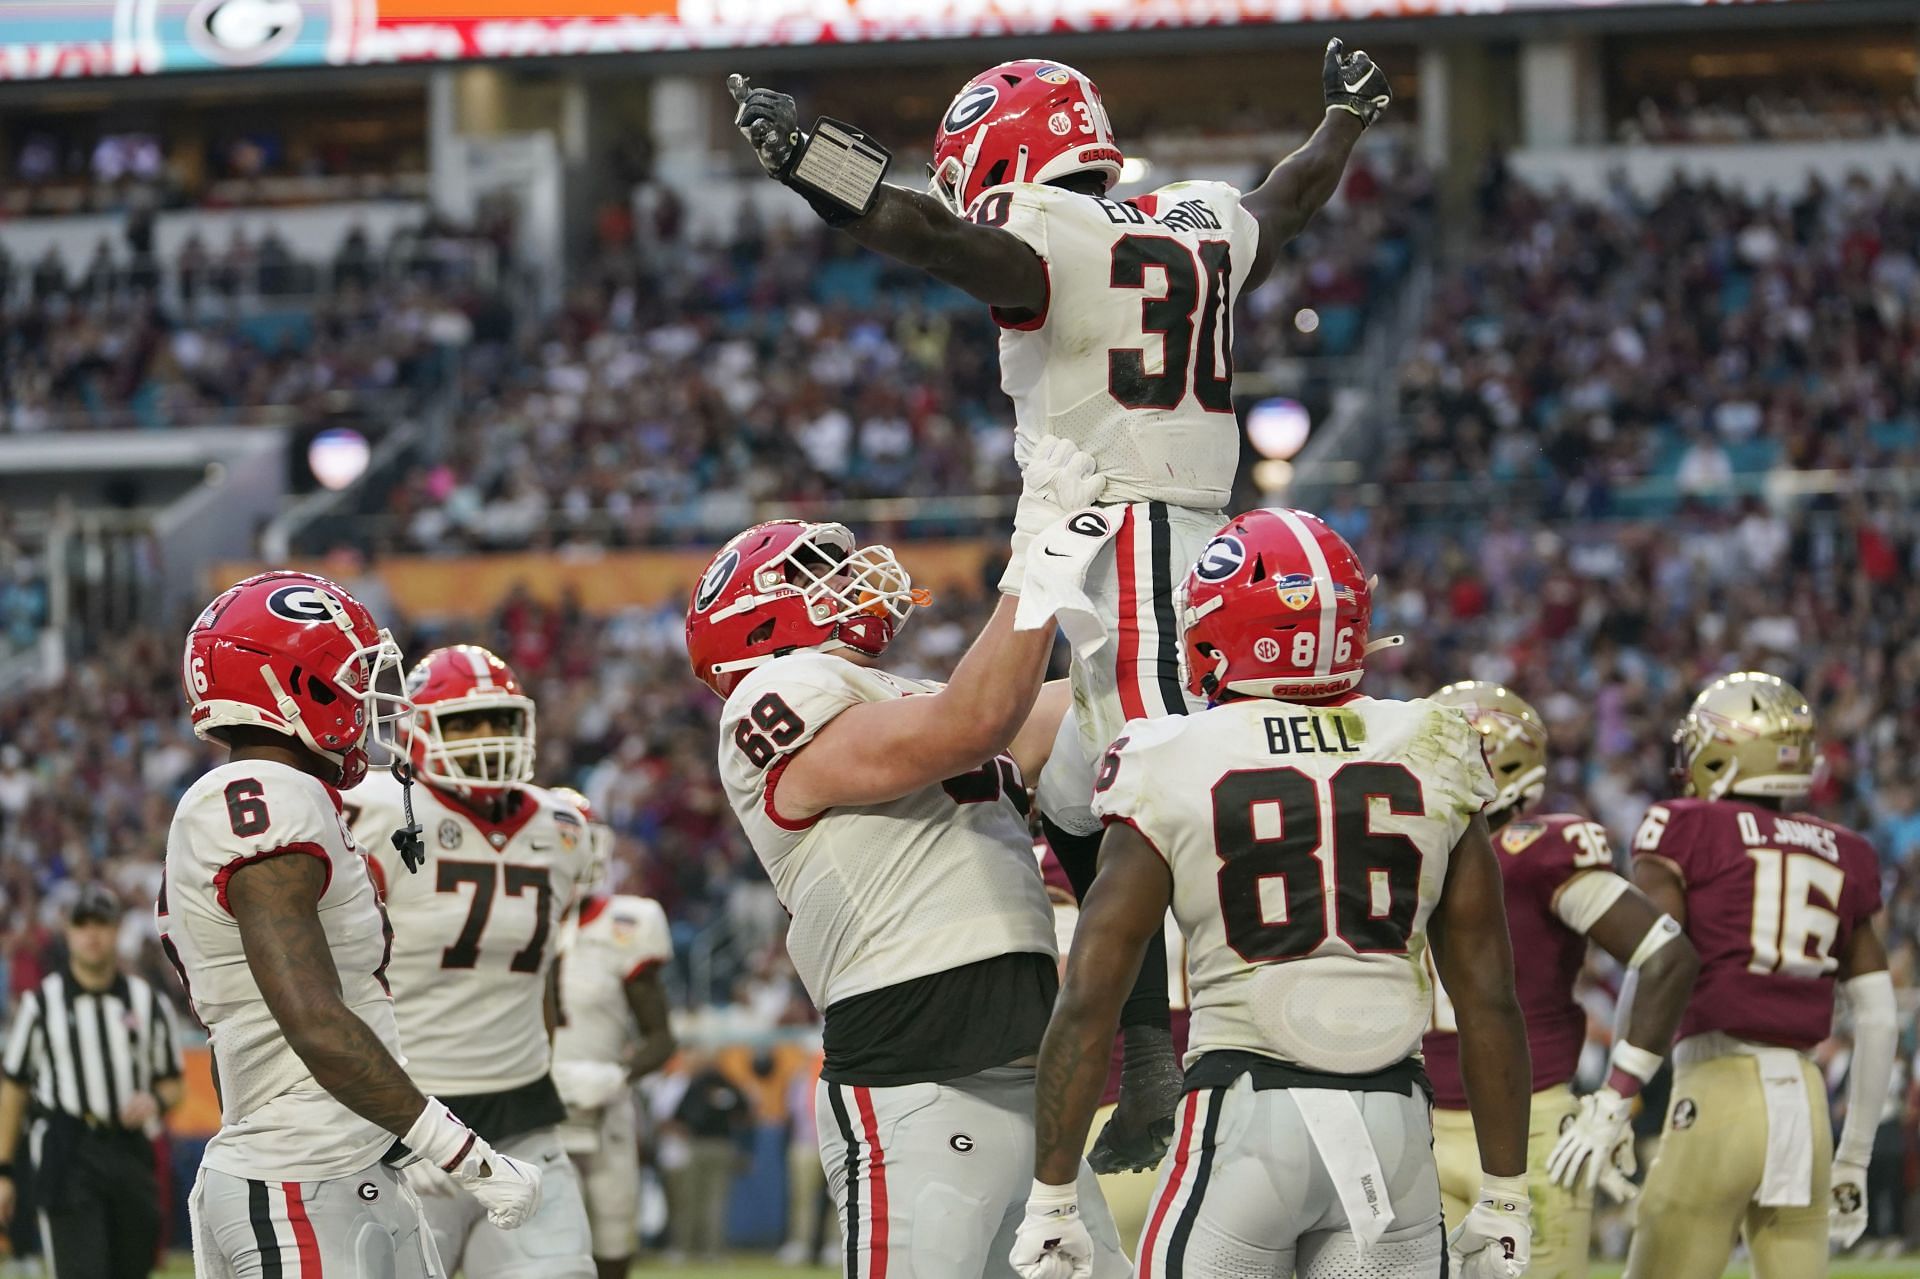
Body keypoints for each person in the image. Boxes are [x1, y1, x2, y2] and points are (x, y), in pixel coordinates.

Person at [726, 42, 1394, 1166]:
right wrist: (1345, 120)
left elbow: (928, 235)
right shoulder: (1201, 223)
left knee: (1160, 799)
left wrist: (808, 161)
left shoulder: (1053, 236)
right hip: (1161, 543)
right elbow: (1291, 198)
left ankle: (1242, 1042)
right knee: (1079, 800)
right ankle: (1148, 1045)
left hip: (1124, 541)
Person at [1014, 509, 1534, 1279]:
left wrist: (1052, 1196)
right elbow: (1489, 993)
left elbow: (1091, 995)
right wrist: (1506, 1193)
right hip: (1395, 1128)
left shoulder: (1169, 753)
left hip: (1245, 1115)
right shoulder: (1435, 741)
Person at [685, 444, 1129, 1279]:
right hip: (914, 1074)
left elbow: (1100, 707)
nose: (847, 576)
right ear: (756, 618)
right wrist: (1036, 558)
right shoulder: (772, 692)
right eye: (815, 569)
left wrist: (1133, 594)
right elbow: (974, 724)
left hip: (1031, 1074)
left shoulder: (906, 688)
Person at [157, 571, 541, 1277]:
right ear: (293, 685)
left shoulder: (285, 794)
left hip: (336, 1166)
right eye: (354, 673)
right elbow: (311, 1019)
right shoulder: (261, 795)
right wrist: (464, 1153)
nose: (370, 698)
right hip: (298, 1178)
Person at [1417, 682, 1700, 1279]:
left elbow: (1665, 953)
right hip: (1423, 1126)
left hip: (1530, 1126)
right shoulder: (1398, 847)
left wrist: (1618, 1094)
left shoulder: (1538, 852)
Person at [1623, 672, 1897, 1279]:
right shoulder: (1844, 849)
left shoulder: (1686, 825)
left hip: (1718, 1090)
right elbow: (1878, 1017)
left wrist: (1618, 1094)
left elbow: (1654, 964)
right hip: (1806, 1100)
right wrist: (1854, 1158)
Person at [349, 644, 597, 1279]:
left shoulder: (564, 825)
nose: (485, 738)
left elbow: (541, 973)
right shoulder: (374, 810)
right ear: (415, 728)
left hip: (522, 1118)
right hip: (401, 1126)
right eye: (464, 722)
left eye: (498, 720)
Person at [0, 884, 183, 1278]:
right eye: (82, 924)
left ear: (117, 930)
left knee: (132, 1269)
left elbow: (172, 1083)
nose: (92, 934)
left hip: (130, 1150)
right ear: (68, 933)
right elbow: (13, 1087)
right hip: (67, 1151)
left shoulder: (147, 1002)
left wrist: (155, 1100)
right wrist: (3, 1171)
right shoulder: (41, 1004)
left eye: (101, 923)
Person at [549, 787, 677, 1279]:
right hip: (528, 1104)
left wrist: (615, 1076)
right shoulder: (507, 914)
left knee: (612, 1233)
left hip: (603, 1108)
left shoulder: (629, 922)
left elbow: (661, 1038)